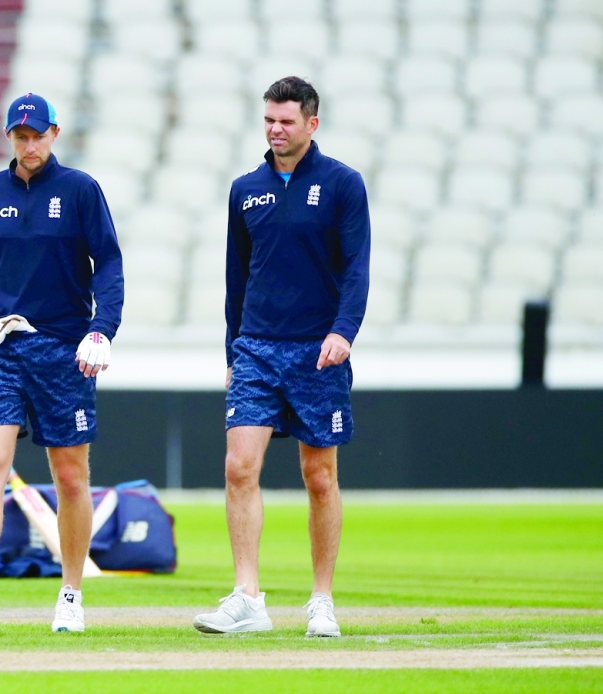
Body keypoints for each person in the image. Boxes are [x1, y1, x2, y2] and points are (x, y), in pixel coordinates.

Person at [0, 93, 124, 634]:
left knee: (69, 475)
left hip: (64, 349)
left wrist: (101, 330)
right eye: (20, 136)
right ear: (9, 139)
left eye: (37, 135)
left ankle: (70, 593)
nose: (29, 144)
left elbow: (108, 262)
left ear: (54, 134)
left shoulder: (80, 190)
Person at [192, 77, 370, 637]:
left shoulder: (343, 184)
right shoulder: (246, 189)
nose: (275, 129)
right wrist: (231, 350)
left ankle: (321, 600)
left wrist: (344, 332)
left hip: (319, 350)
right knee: (238, 466)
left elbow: (357, 268)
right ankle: (248, 597)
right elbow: (235, 278)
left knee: (319, 476)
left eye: (287, 121)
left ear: (312, 123)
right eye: (269, 119)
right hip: (256, 349)